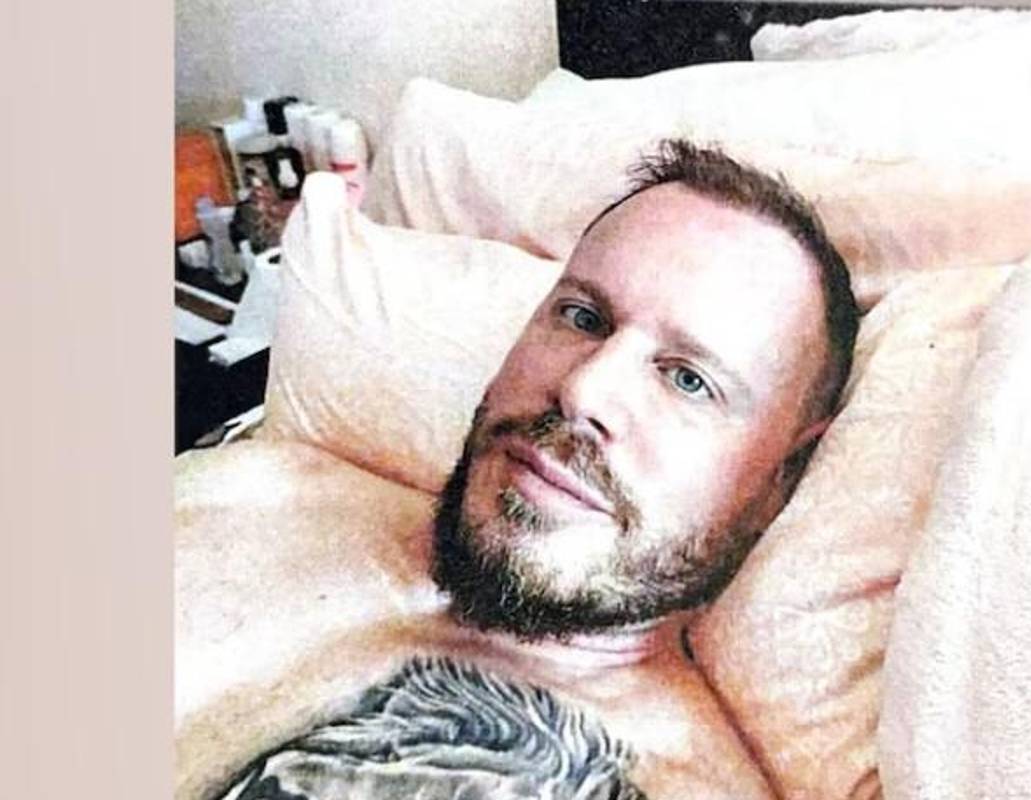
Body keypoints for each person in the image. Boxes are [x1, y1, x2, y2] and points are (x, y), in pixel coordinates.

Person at [203, 139, 859, 799]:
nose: (583, 391)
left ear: (779, 477)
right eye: (583, 317)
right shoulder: (261, 485)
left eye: (687, 379)